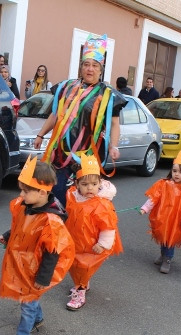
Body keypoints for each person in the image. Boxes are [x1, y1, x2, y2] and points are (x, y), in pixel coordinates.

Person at [33, 33, 127, 206]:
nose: (90, 69)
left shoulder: (108, 95)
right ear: (81, 67)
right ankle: (58, 228)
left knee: (83, 201)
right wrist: (40, 135)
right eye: (86, 65)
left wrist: (114, 145)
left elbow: (114, 124)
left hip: (88, 157)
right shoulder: (66, 87)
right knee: (57, 195)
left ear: (101, 68)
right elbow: (55, 115)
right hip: (60, 154)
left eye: (94, 65)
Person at [0, 156, 75, 335]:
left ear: (42, 192)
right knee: (30, 301)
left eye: (25, 190)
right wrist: (7, 235)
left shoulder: (51, 221)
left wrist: (43, 278)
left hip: (36, 267)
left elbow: (53, 251)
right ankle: (38, 318)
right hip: (23, 262)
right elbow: (21, 225)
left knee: (27, 301)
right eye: (21, 190)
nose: (20, 195)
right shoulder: (27, 206)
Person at [64, 154, 123, 310]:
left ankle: (80, 293)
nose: (90, 188)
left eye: (94, 184)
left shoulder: (102, 205)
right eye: (85, 184)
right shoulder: (73, 197)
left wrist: (103, 244)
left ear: (100, 184)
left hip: (91, 244)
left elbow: (108, 227)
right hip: (75, 240)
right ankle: (83, 283)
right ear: (77, 184)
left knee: (83, 265)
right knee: (75, 265)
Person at [140, 149, 181, 274]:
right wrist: (145, 208)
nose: (177, 174)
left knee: (170, 239)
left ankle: (167, 259)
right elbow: (154, 198)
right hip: (162, 217)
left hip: (176, 221)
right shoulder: (164, 184)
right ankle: (163, 255)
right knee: (163, 237)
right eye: (174, 171)